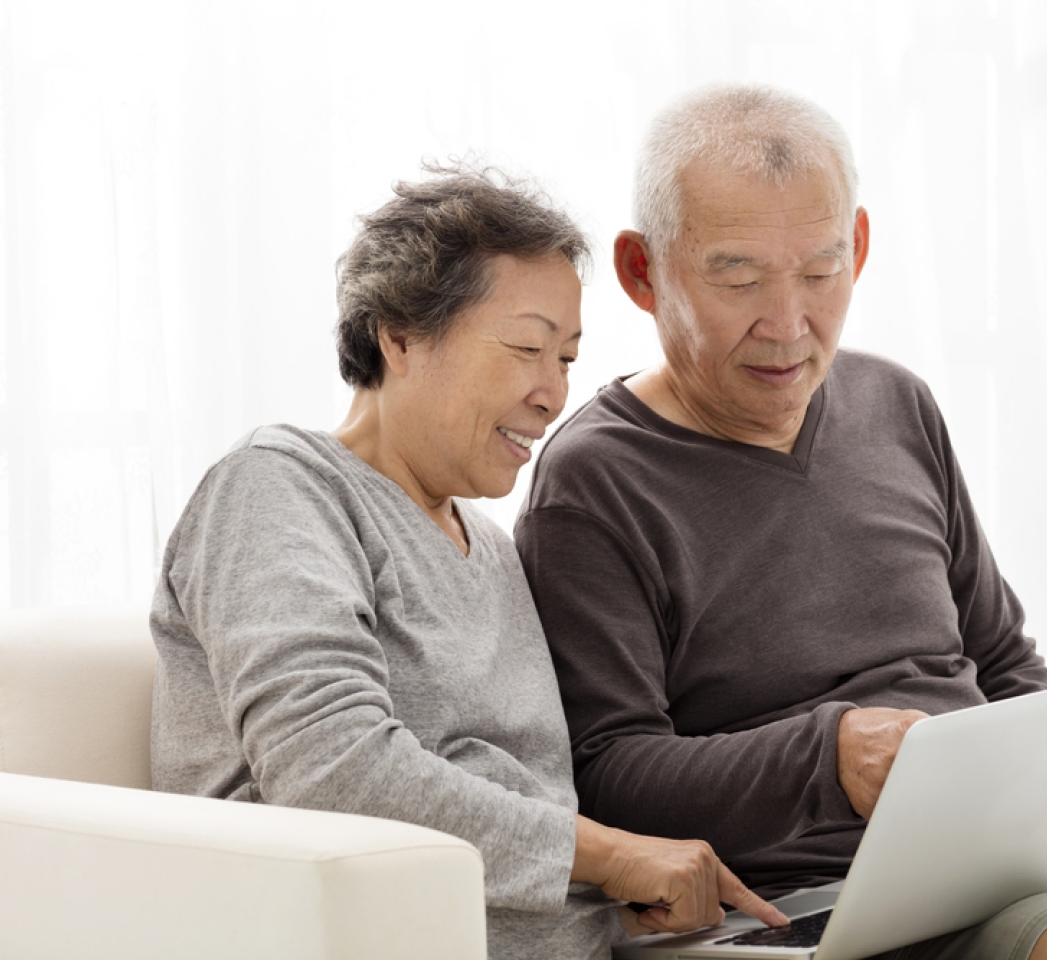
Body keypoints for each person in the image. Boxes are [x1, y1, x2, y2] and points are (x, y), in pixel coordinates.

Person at [513, 85, 1047, 959]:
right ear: (642, 271)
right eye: (737, 275)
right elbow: (607, 772)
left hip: (1011, 879)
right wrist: (831, 758)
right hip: (810, 910)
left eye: (819, 272)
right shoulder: (593, 483)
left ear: (856, 246)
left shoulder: (895, 403)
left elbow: (1004, 664)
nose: (787, 324)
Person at [149, 162, 786, 960]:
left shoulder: (490, 546)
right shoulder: (280, 486)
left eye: (567, 359)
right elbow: (333, 770)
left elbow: (521, 824)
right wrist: (617, 857)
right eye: (527, 347)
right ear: (401, 335)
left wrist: (624, 906)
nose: (554, 395)